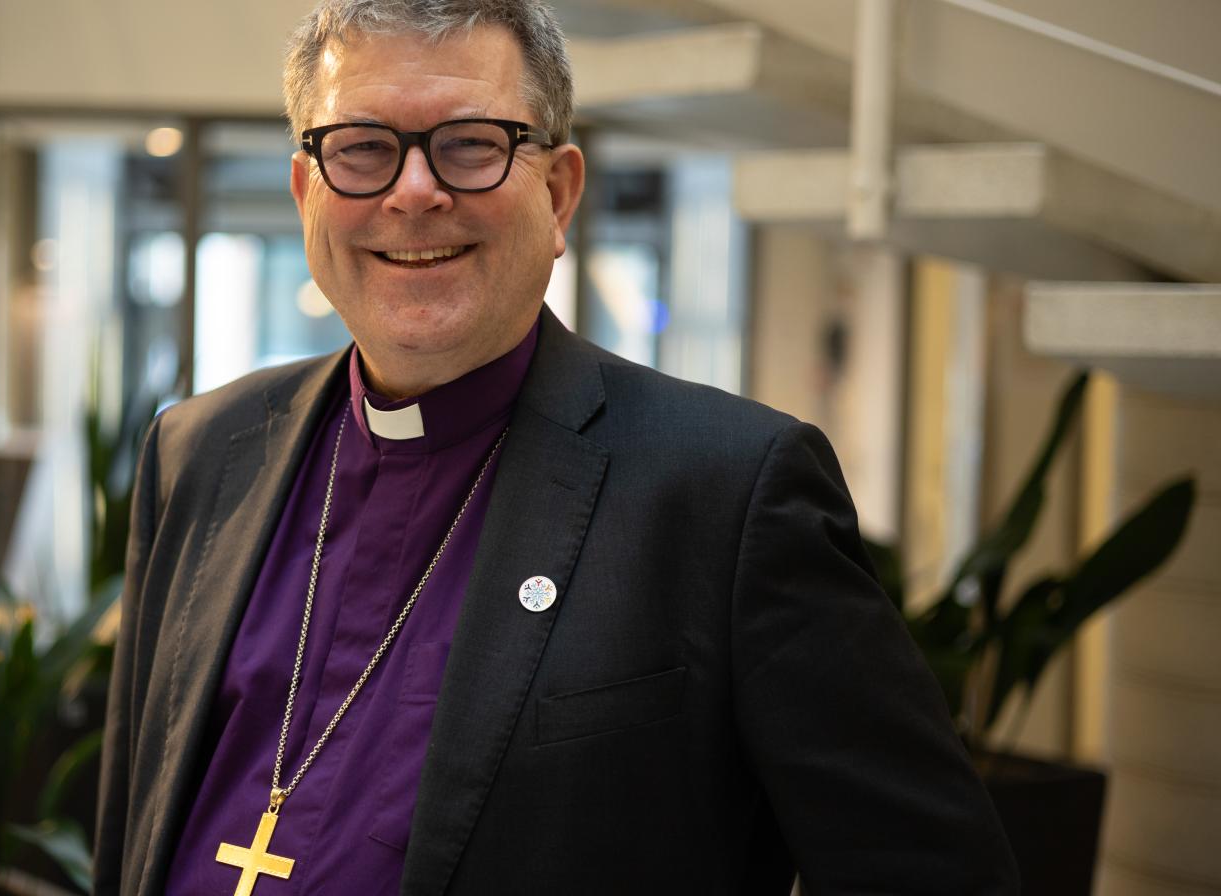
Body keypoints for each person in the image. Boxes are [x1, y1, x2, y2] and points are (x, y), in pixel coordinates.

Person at [94, 1, 1019, 893]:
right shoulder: (200, 452)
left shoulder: (727, 494)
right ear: (308, 192)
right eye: (363, 149)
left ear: (560, 192)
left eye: (470, 144)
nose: (415, 192)